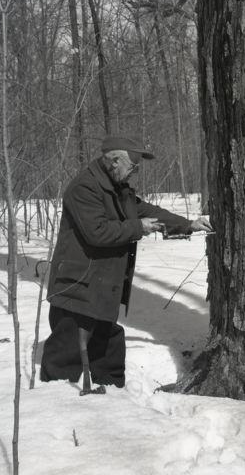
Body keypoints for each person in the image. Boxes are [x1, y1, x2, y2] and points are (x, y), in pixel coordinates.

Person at [40, 135, 212, 393]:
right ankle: (56, 406)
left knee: (106, 345)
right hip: (77, 286)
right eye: (133, 166)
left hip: (99, 286)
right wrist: (137, 228)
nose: (135, 172)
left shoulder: (118, 189)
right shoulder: (84, 188)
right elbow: (97, 232)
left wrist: (188, 224)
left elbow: (147, 211)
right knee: (67, 350)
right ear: (114, 160)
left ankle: (113, 399)